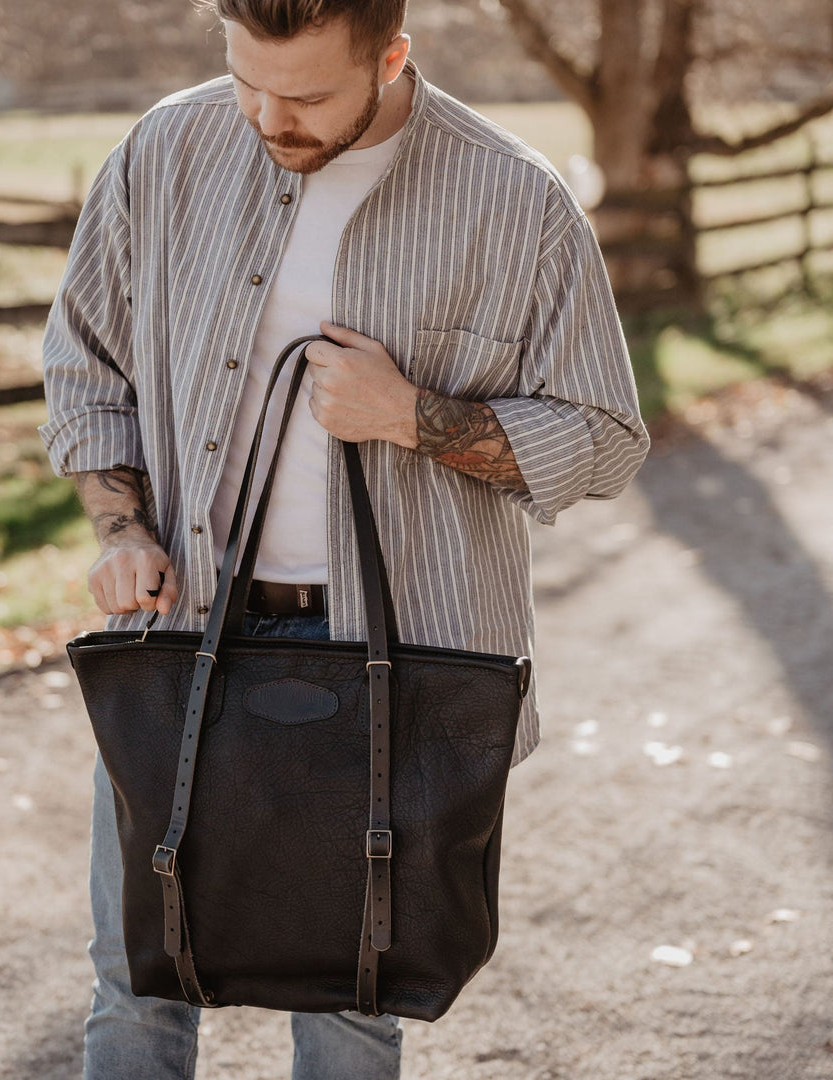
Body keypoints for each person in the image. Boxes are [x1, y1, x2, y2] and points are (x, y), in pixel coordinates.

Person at [40, 1, 649, 1076]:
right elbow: (88, 369)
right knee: (135, 979)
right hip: (184, 639)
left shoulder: (517, 202)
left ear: (393, 58)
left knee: (353, 995)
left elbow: (603, 440)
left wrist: (414, 417)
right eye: (247, 82)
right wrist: (123, 529)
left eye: (309, 95)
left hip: (396, 658)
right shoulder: (165, 150)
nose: (268, 118)